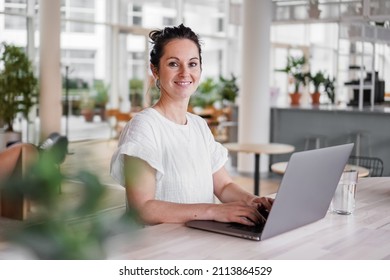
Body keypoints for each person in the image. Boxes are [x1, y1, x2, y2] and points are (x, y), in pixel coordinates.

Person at [110, 24, 273, 226]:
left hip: (199, 242)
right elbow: (142, 208)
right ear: (155, 70)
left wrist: (253, 202)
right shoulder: (144, 126)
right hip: (161, 249)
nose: (185, 73)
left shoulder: (199, 126)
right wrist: (214, 211)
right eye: (173, 64)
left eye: (192, 64)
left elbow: (223, 186)